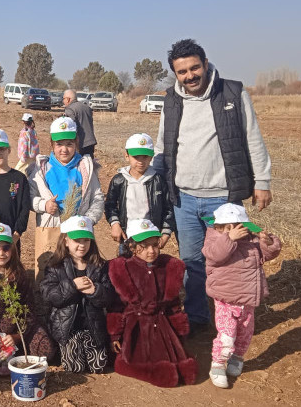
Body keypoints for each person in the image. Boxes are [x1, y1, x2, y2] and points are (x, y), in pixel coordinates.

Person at [152, 39, 273, 334]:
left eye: (194, 68)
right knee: (192, 262)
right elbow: (162, 145)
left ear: (205, 64)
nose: (190, 75)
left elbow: (252, 138)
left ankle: (231, 319)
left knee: (229, 261)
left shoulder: (232, 92)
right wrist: (154, 182)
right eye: (182, 72)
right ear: (175, 73)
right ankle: (198, 318)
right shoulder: (171, 100)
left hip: (223, 199)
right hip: (183, 198)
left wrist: (262, 181)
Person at [107, 219, 197, 387]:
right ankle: (149, 371)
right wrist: (115, 335)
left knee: (182, 365)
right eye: (144, 246)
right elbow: (117, 306)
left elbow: (174, 303)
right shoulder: (124, 269)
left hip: (162, 323)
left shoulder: (167, 267)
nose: (151, 250)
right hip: (136, 326)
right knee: (141, 359)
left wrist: (180, 328)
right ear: (132, 247)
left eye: (155, 245)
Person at [201, 203, 281, 388]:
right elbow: (215, 255)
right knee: (227, 335)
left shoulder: (251, 241)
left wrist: (268, 242)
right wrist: (229, 238)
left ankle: (237, 358)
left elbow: (268, 255)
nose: (239, 231)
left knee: (245, 334)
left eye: (241, 227)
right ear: (222, 227)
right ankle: (218, 365)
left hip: (247, 299)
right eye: (231, 227)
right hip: (225, 299)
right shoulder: (214, 239)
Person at [0, 221, 56, 367]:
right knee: (3, 325)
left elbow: (29, 310)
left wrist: (17, 336)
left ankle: (19, 348)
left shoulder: (19, 275)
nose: (1, 253)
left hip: (19, 326)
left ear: (13, 249)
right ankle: (14, 352)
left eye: (6, 248)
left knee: (46, 350)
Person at [40, 215, 114, 373]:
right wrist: (73, 286)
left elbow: (109, 296)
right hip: (67, 328)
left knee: (98, 367)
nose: (82, 245)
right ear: (66, 240)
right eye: (77, 240)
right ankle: (66, 348)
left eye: (86, 240)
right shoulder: (55, 266)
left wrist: (95, 291)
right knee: (75, 368)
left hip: (92, 327)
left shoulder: (99, 265)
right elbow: (49, 295)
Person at [104, 133, 174, 256]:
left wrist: (165, 233)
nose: (141, 161)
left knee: (150, 265)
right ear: (127, 156)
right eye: (136, 157)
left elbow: (168, 208)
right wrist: (115, 224)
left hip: (150, 237)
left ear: (151, 157)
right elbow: (110, 205)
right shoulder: (119, 180)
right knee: (126, 264)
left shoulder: (158, 181)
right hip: (127, 237)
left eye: (145, 157)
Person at [30, 117, 104, 228]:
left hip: (79, 231)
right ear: (52, 144)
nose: (64, 150)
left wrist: (88, 220)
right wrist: (44, 205)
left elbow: (97, 197)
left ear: (76, 143)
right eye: (59, 144)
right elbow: (29, 196)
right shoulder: (41, 169)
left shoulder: (85, 168)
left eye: (69, 144)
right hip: (51, 230)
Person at [62, 89, 96, 157]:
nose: (63, 101)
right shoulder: (86, 107)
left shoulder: (70, 109)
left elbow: (71, 126)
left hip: (80, 143)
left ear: (68, 99)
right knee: (88, 162)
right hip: (90, 142)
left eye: (63, 99)